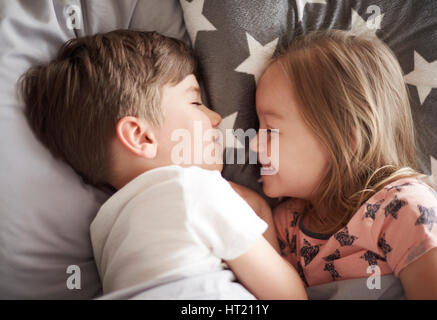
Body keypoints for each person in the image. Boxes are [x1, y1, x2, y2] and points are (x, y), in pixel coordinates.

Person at [19, 30, 307, 299]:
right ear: (141, 136)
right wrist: (260, 210)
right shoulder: (195, 189)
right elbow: (287, 293)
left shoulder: (105, 228)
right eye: (195, 103)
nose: (216, 117)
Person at [241, 29, 437, 299]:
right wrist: (258, 211)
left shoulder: (403, 209)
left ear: (346, 140)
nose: (253, 144)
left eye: (270, 129)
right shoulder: (287, 225)